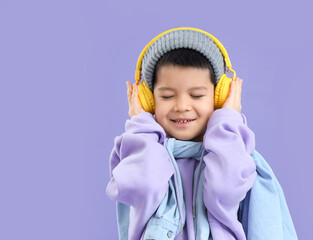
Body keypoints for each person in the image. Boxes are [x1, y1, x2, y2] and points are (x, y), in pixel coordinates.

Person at [106, 28, 297, 240]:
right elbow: (143, 185)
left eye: (196, 95)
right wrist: (141, 126)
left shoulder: (239, 154)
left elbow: (223, 191)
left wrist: (227, 121)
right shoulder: (141, 153)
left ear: (218, 98)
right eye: (167, 96)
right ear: (150, 101)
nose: (182, 106)